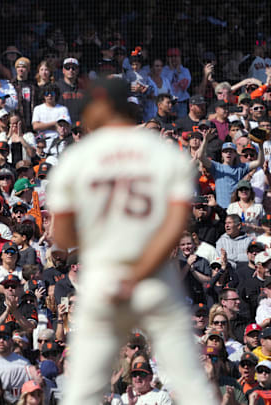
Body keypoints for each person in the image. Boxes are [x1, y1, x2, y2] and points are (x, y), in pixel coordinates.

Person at [47, 78, 216, 405]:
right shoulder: (164, 154)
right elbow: (178, 221)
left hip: (103, 280)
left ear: (102, 109)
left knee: (82, 391)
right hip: (154, 279)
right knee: (193, 387)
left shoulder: (78, 159)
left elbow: (63, 237)